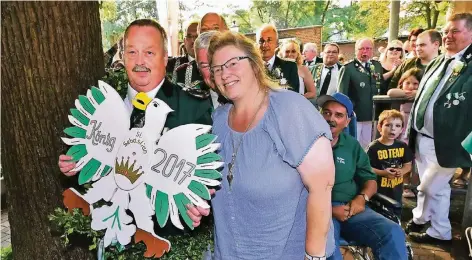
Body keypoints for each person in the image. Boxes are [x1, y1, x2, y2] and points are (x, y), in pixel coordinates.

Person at [57, 18, 213, 248]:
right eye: (132, 52)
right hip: (110, 241)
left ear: (165, 57)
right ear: (122, 55)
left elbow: (208, 176)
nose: (140, 61)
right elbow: (88, 164)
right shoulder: (105, 104)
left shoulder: (196, 108)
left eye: (149, 53)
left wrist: (202, 197)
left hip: (171, 243)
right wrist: (72, 165)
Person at [207, 31, 335, 259]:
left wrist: (315, 256)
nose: (225, 73)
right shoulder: (218, 121)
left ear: (255, 65)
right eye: (217, 69)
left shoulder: (288, 109)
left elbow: (322, 186)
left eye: (233, 63)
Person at [406, 12, 472, 244]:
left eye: (455, 31)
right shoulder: (438, 60)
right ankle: (440, 231)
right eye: (445, 31)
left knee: (427, 188)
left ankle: (421, 217)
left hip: (449, 141)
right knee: (439, 190)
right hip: (423, 136)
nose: (448, 36)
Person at [316, 93, 407, 260]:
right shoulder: (305, 144)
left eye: (338, 115)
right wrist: (328, 209)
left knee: (392, 233)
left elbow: (370, 179)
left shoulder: (352, 145)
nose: (330, 119)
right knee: (329, 251)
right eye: (326, 113)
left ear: (347, 122)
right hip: (318, 211)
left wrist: (362, 198)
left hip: (353, 208)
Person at [338, 37, 385, 149]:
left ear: (372, 50)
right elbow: (342, 94)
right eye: (362, 49)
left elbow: (381, 85)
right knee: (354, 146)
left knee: (369, 147)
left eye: (368, 49)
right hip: (356, 116)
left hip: (373, 115)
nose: (365, 52)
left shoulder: (377, 66)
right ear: (356, 51)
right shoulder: (348, 68)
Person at [366, 109, 413, 218]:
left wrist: (401, 171)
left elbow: (408, 165)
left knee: (395, 215)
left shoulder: (402, 146)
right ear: (379, 127)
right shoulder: (373, 148)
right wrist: (383, 172)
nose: (393, 129)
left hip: (396, 191)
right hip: (378, 193)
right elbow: (365, 168)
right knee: (378, 216)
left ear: (402, 129)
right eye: (388, 125)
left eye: (397, 126)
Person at [257, 24, 300, 93]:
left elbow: (293, 96)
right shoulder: (250, 67)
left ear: (277, 43)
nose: (265, 45)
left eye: (269, 40)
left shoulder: (290, 67)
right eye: (261, 41)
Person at [194, 31, 228, 109]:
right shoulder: (192, 102)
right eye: (206, 66)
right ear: (198, 68)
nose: (213, 72)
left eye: (218, 64)